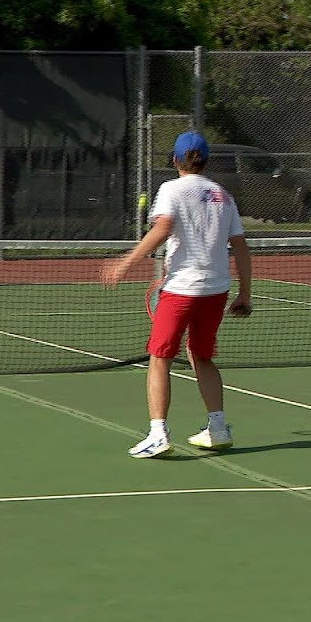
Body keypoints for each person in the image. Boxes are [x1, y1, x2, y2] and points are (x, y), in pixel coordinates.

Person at [102, 131, 253, 459]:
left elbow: (163, 226)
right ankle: (218, 427)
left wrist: (125, 262)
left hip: (182, 290)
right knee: (202, 356)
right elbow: (240, 247)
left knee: (159, 357)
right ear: (206, 161)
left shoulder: (170, 189)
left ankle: (158, 434)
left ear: (175, 160)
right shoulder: (224, 196)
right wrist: (245, 293)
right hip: (216, 291)